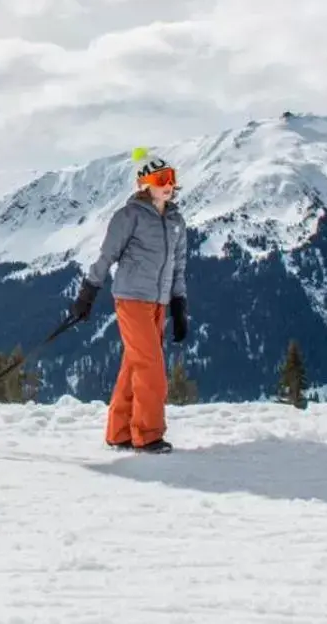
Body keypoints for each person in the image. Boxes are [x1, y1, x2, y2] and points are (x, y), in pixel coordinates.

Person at [67, 147, 188, 454]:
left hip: (158, 301)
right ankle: (147, 435)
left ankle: (119, 432)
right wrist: (88, 292)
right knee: (151, 369)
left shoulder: (176, 220)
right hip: (132, 299)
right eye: (161, 178)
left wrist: (179, 304)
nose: (168, 184)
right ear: (143, 183)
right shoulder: (129, 216)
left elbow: (179, 264)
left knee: (134, 365)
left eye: (171, 177)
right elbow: (107, 256)